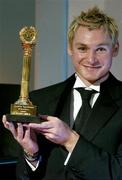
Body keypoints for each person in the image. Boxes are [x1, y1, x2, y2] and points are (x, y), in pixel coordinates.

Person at [2, 6, 122, 180]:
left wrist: (70, 139)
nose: (91, 59)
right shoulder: (39, 100)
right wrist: (31, 155)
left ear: (115, 49)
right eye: (82, 48)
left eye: (101, 49)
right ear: (70, 48)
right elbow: (23, 176)